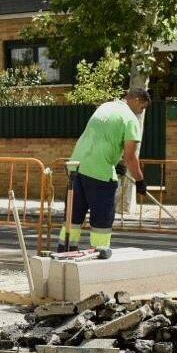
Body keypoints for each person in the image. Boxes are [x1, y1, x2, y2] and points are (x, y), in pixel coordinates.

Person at [59, 89, 150, 258]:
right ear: (136, 100)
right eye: (142, 107)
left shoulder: (105, 107)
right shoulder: (130, 119)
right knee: (102, 216)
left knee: (74, 215)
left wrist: (114, 163)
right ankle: (99, 251)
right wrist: (140, 181)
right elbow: (131, 157)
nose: (141, 112)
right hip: (100, 172)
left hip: (76, 167)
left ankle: (65, 250)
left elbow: (101, 138)